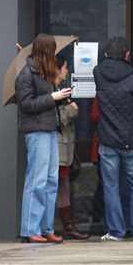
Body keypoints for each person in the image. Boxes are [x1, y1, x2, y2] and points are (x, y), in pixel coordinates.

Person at [16, 33, 72, 244]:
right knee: (37, 181)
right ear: (45, 51)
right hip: (36, 131)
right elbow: (26, 105)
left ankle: (46, 228)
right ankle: (31, 229)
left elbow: (43, 103)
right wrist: (52, 98)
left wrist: (59, 98)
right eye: (52, 50)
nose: (54, 55)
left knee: (51, 181)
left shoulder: (43, 74)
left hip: (49, 129)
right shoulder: (26, 74)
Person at [94, 36, 133, 242]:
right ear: (127, 54)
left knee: (111, 186)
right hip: (131, 139)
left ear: (107, 54)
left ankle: (116, 231)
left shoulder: (98, 73)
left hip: (107, 139)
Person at [54, 96, 88, 240]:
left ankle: (68, 226)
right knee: (59, 187)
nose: (67, 71)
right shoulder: (51, 95)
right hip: (58, 148)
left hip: (66, 148)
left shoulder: (60, 94)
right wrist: (72, 109)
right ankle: (65, 226)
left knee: (64, 186)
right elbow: (57, 119)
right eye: (64, 70)